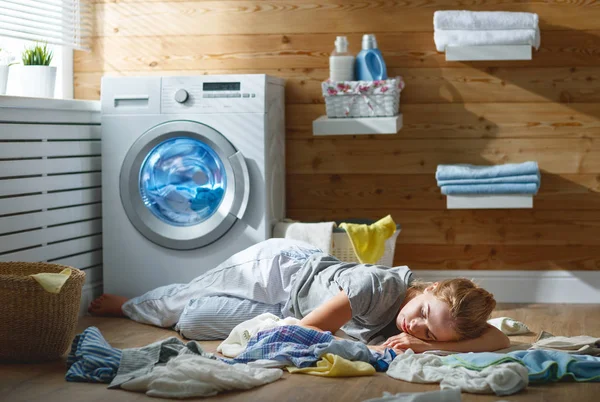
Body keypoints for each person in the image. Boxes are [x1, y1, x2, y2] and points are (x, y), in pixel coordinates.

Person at [89, 238, 510, 353]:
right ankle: (125, 304)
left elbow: (500, 339)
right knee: (186, 299)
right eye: (421, 313)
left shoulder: (444, 321)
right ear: (431, 289)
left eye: (430, 333)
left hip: (287, 306)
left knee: (193, 322)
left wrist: (433, 346)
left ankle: (143, 309)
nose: (413, 326)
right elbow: (306, 332)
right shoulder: (376, 288)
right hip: (282, 271)